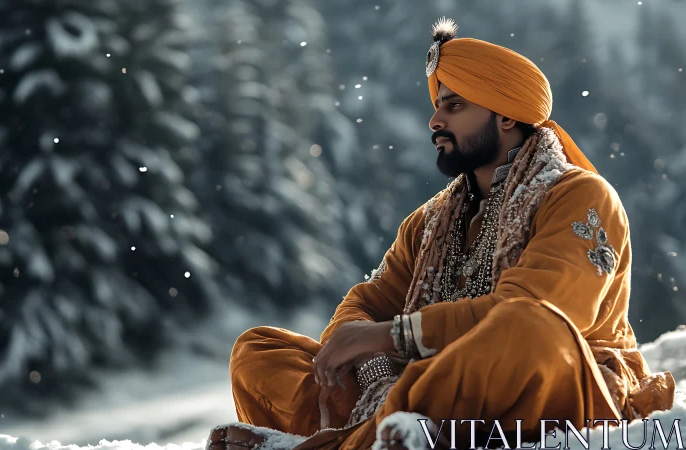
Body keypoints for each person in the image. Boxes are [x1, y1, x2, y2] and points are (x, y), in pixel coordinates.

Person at [207, 18, 675, 450]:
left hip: (562, 388)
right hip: (426, 384)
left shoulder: (580, 197)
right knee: (259, 350)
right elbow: (369, 302)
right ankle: (387, 427)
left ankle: (333, 443)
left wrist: (393, 336)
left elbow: (530, 316)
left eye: (454, 106)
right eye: (437, 106)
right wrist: (355, 353)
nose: (435, 122)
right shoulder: (432, 220)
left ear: (507, 115)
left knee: (527, 329)